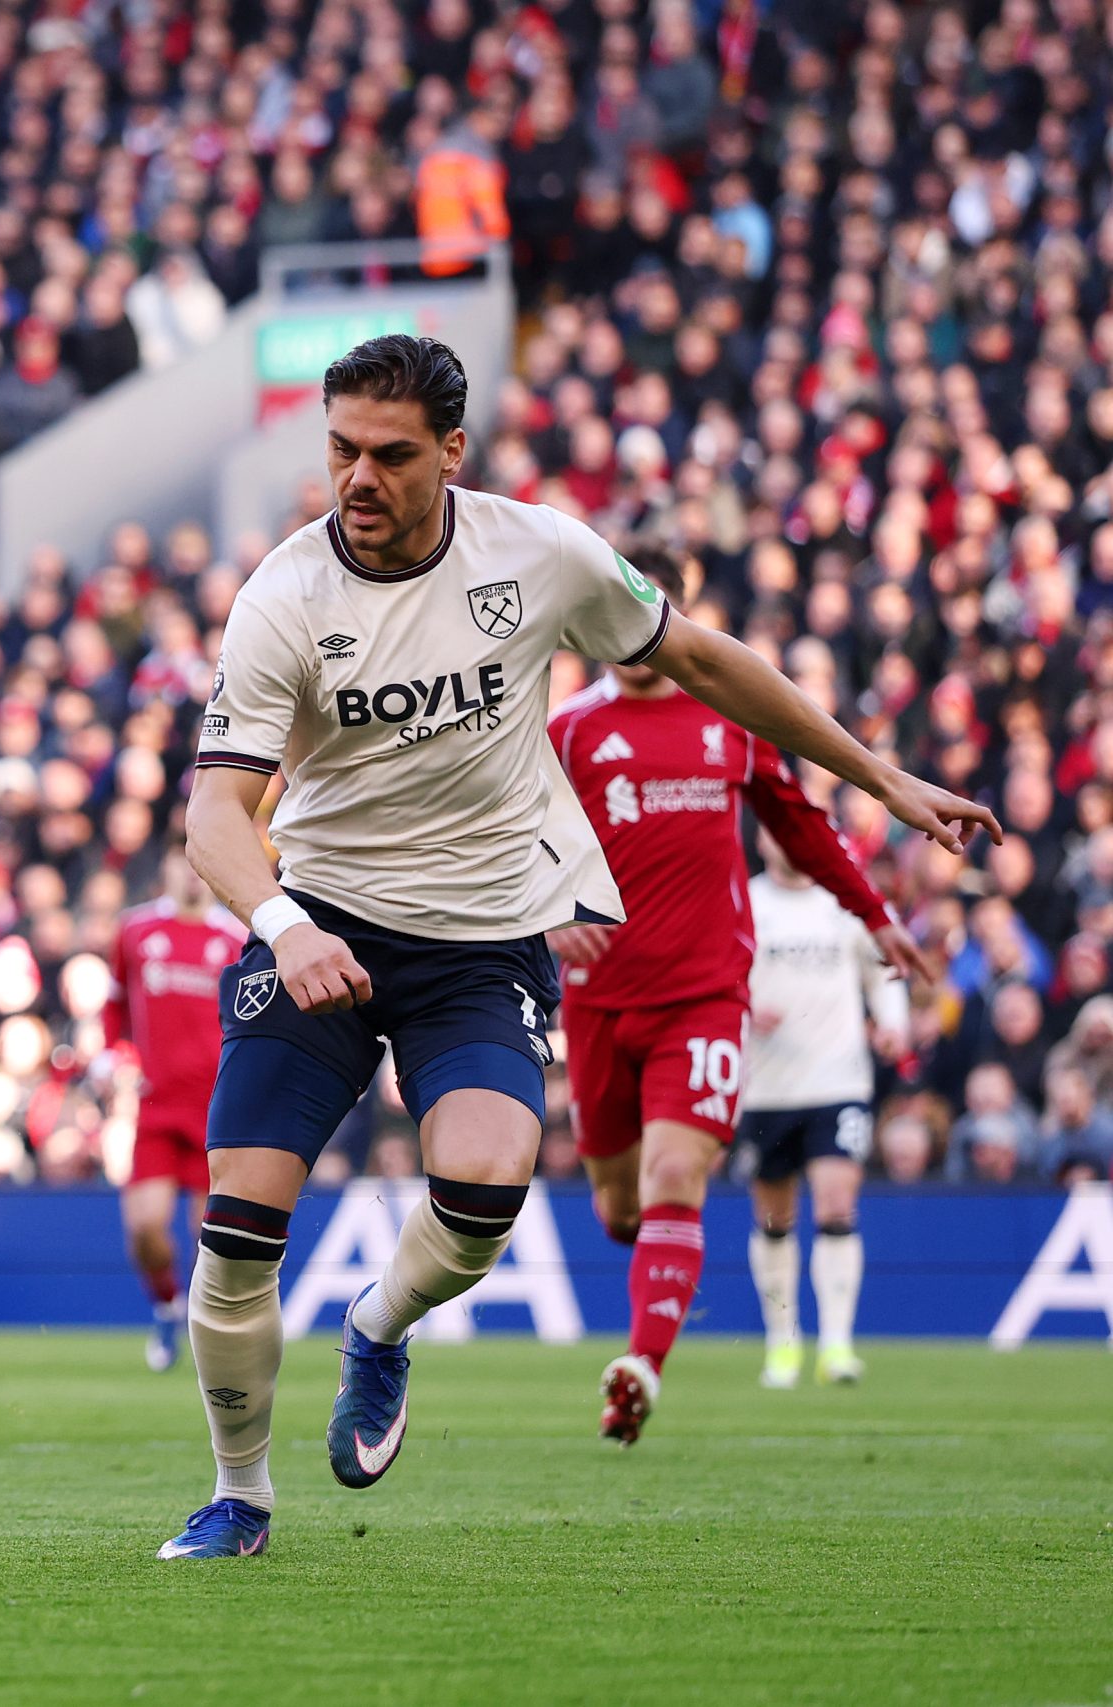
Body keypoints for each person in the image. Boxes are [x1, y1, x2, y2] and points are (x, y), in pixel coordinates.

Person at [160, 333, 993, 1561]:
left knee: (486, 1190)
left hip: (485, 933)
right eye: (340, 451)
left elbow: (701, 659)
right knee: (239, 1224)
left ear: (453, 451)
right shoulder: (284, 595)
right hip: (322, 921)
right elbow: (214, 816)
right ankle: (240, 1495)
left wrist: (877, 775)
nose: (358, 480)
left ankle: (377, 1327)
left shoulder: (537, 554)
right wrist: (282, 925)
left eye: (390, 455)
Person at [545, 548, 926, 1443]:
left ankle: (640, 1365)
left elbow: (801, 822)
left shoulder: (730, 718)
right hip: (599, 1001)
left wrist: (873, 916)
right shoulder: (565, 732)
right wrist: (547, 911)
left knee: (675, 1175)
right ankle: (658, 1287)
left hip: (706, 995)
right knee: (620, 1207)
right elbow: (507, 841)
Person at [740, 835, 910, 1390]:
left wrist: (892, 1023)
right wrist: (740, 1004)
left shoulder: (844, 901)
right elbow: (712, 970)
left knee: (837, 1206)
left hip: (838, 1079)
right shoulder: (744, 900)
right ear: (764, 840)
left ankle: (837, 1345)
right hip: (765, 1087)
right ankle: (782, 1343)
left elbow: (883, 966)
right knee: (774, 1219)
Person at [105, 836, 243, 1371]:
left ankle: (201, 1331)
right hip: (156, 1106)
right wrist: (115, 1057)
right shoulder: (136, 930)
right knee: (144, 1228)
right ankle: (166, 1305)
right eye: (180, 861)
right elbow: (115, 1006)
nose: (190, 875)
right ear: (165, 866)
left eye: (198, 864)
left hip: (215, 1109)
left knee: (207, 1239)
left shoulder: (235, 938)